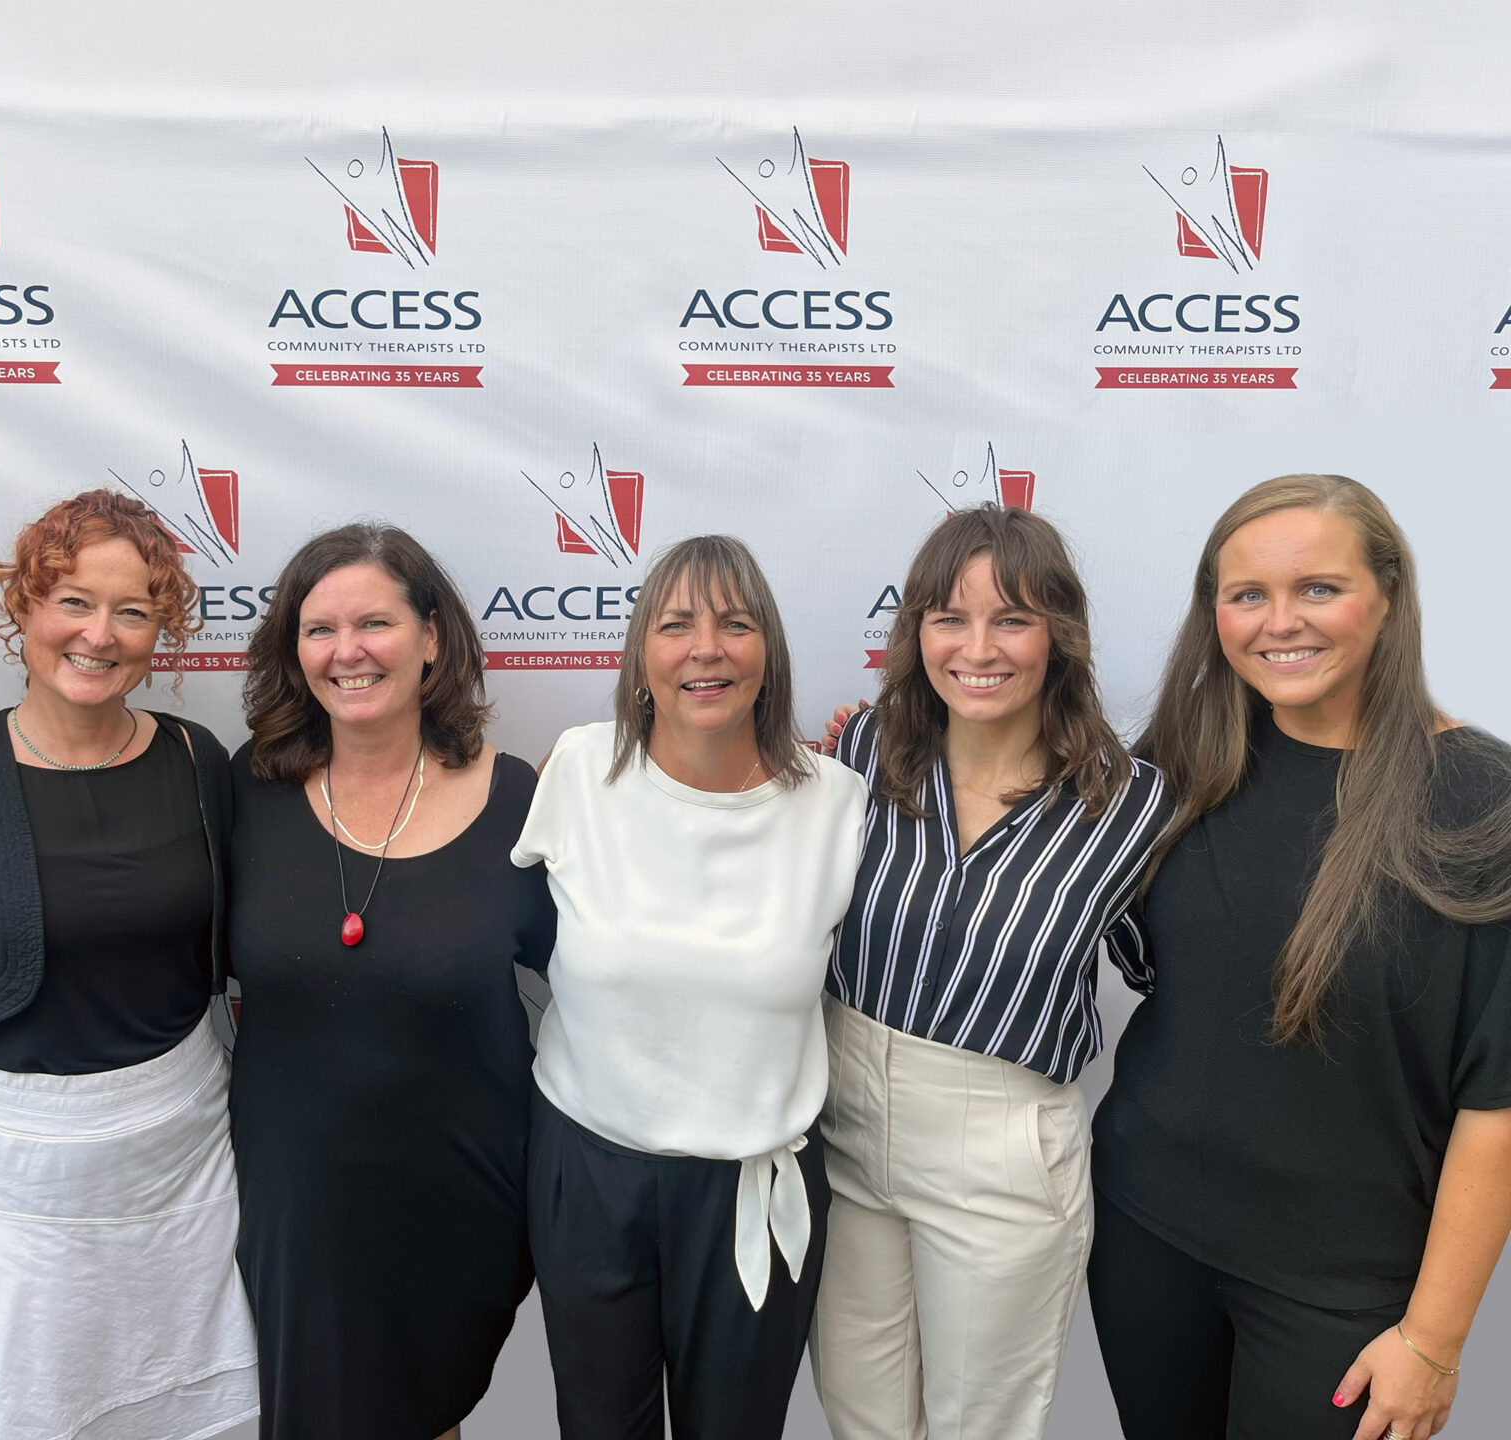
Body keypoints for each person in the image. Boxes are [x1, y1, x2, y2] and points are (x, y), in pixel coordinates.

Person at [1090, 475, 1511, 1440]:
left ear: (1389, 596)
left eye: (1319, 588)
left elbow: (1499, 1103)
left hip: (1345, 1292)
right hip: (1147, 1238)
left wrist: (1434, 1342)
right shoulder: (1183, 763)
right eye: (1248, 596)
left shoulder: (1484, 801)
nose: (1281, 622)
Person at [0, 489, 259, 1440]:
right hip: (9, 1186)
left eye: (133, 611)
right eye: (72, 601)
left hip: (184, 1166)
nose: (99, 635)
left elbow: (249, 965)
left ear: (161, 631)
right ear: (24, 610)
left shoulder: (202, 762)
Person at [810, 504, 1170, 1440]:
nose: (979, 647)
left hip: (1000, 1151)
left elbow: (1179, 974)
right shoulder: (861, 750)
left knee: (982, 1426)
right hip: (842, 1120)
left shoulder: (1130, 806)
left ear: (1061, 636)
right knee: (861, 1419)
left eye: (1012, 618)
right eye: (949, 617)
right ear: (915, 631)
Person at [513, 534, 867, 1440]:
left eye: (734, 624)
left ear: (768, 654)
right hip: (588, 1168)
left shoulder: (839, 803)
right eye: (676, 625)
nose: (705, 647)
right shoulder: (579, 771)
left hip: (754, 1183)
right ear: (640, 659)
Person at [228, 523, 556, 1440]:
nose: (347, 652)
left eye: (373, 622)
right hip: (296, 1195)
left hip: (463, 1192)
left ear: (433, 637)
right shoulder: (245, 791)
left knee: (427, 1414)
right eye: (317, 629)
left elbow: (609, 974)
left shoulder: (519, 798)